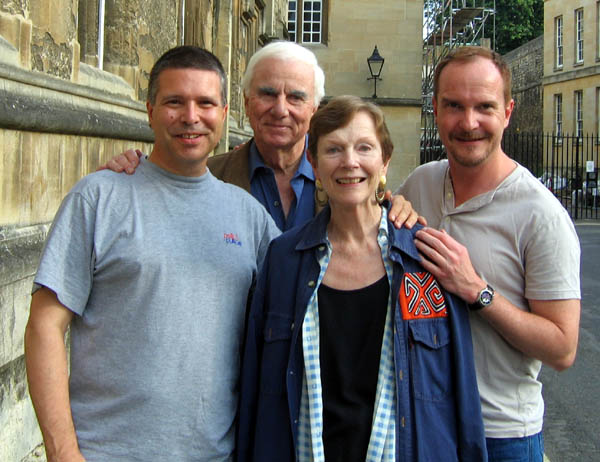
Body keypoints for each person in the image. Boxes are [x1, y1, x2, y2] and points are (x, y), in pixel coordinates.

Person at [24, 46, 280, 462]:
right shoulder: (99, 197)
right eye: (174, 102)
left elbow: (313, 286)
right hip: (105, 452)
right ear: (149, 109)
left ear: (225, 112)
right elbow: (44, 327)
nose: (190, 117)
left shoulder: (249, 216)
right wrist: (63, 453)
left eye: (205, 103)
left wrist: (385, 207)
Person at [237, 95, 487, 462]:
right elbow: (256, 385)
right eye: (333, 149)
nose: (350, 162)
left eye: (364, 148)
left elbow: (461, 390)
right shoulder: (284, 259)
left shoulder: (426, 259)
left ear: (384, 161)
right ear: (314, 163)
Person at [396, 46, 581, 462]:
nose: (468, 122)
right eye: (454, 106)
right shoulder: (420, 185)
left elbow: (562, 349)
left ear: (508, 112)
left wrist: (477, 290)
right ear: (436, 110)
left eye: (484, 106)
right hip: (423, 421)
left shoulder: (541, 214)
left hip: (501, 436)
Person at [100, 41, 418, 230]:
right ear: (246, 103)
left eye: (295, 97)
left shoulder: (347, 181)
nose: (280, 110)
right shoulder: (210, 175)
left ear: (314, 108)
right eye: (267, 94)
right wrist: (132, 172)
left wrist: (395, 205)